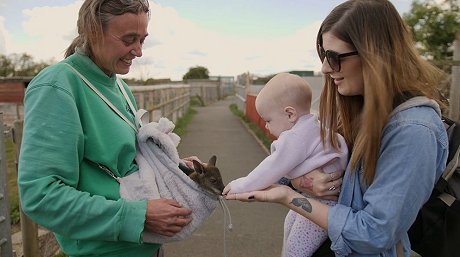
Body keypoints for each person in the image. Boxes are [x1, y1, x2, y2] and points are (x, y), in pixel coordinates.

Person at [226, 1, 449, 256]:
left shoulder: (414, 132)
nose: (324, 68)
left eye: (334, 57)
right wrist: (305, 181)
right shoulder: (355, 111)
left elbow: (373, 234)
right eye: (324, 56)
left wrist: (290, 197)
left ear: (373, 55)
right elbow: (296, 164)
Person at [17, 1, 194, 256]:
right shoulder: (56, 87)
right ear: (92, 31)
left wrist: (176, 167)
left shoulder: (119, 86)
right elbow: (41, 197)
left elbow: (128, 163)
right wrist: (137, 216)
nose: (139, 51)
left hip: (146, 246)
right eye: (129, 39)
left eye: (142, 39)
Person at [223, 72, 348, 256]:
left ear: (290, 114)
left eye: (268, 120)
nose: (266, 126)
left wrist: (240, 186)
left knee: (296, 249)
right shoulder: (314, 126)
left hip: (324, 204)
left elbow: (272, 167)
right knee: (290, 224)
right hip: (319, 199)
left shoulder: (295, 137)